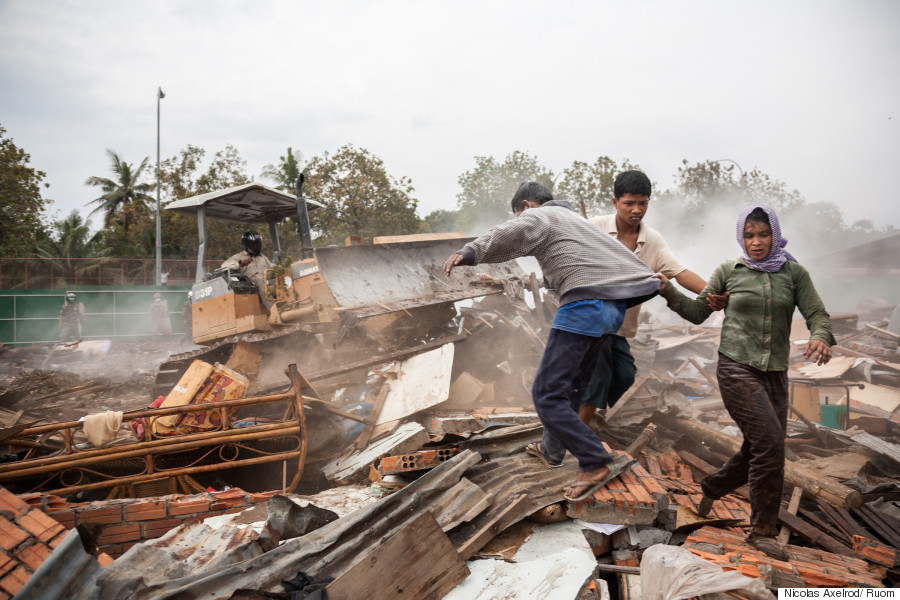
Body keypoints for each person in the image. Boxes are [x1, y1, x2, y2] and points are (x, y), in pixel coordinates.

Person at [443, 182, 661, 501]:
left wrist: (470, 252)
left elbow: (512, 231)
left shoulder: (543, 215)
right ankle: (552, 449)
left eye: (521, 214)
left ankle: (593, 459)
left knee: (546, 393)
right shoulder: (579, 223)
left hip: (584, 306)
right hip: (611, 310)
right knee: (572, 388)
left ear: (528, 206)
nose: (522, 220)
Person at [656, 203, 835, 560]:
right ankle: (763, 531)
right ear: (741, 236)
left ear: (776, 234)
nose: (756, 242)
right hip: (736, 368)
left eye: (763, 234)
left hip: (775, 374)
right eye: (749, 235)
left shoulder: (794, 273)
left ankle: (713, 485)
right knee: (770, 445)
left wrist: (822, 336)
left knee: (759, 446)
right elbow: (697, 313)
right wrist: (669, 291)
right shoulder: (728, 271)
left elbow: (816, 312)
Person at [575, 171, 723, 427]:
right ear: (615, 202)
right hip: (590, 320)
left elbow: (681, 273)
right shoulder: (594, 228)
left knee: (624, 376)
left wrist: (714, 293)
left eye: (642, 203)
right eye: (629, 203)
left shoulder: (652, 240)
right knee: (597, 377)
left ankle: (588, 414)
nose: (636, 210)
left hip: (619, 326)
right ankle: (576, 435)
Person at [221, 231, 274, 309]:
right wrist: (240, 264)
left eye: (258, 244)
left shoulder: (263, 257)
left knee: (282, 278)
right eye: (253, 244)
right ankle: (274, 309)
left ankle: (292, 304)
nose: (256, 246)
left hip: (266, 282)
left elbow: (272, 267)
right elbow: (224, 266)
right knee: (260, 280)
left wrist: (285, 268)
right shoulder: (239, 256)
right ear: (246, 245)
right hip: (251, 284)